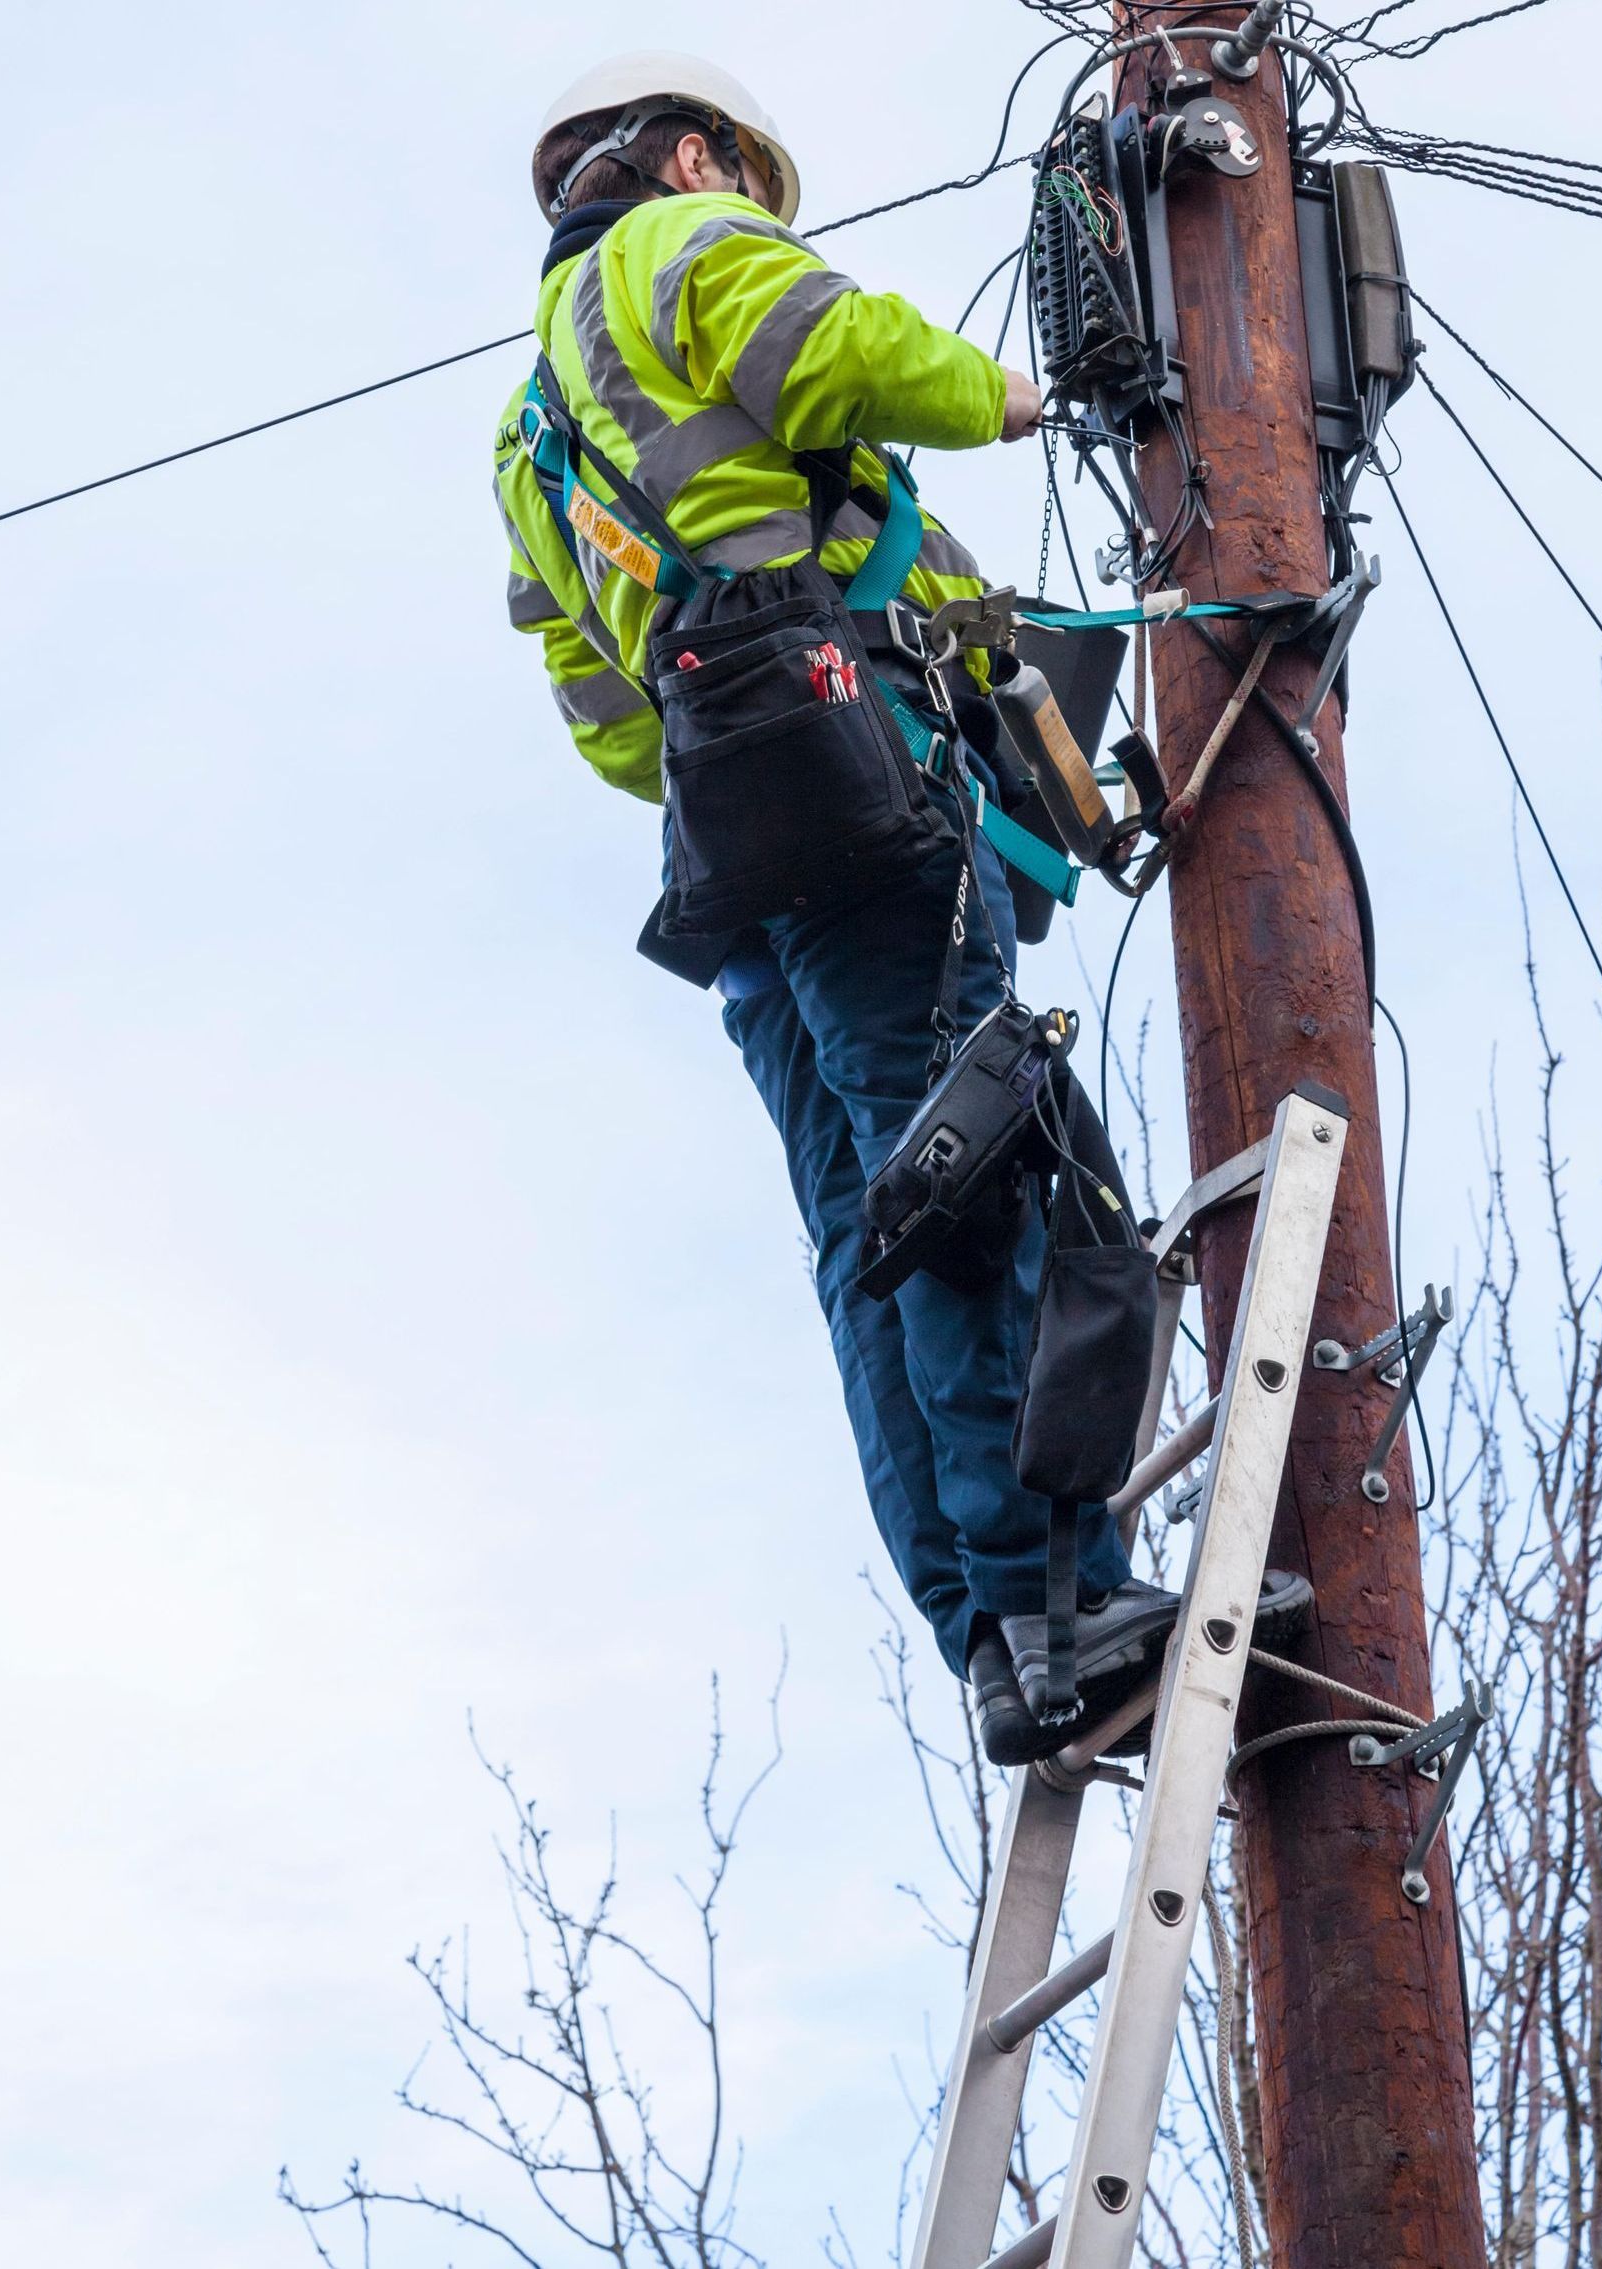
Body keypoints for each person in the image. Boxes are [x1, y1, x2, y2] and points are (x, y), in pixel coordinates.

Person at [492, 54, 1305, 1762]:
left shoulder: (526, 437)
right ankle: (1052, 1596)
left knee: (874, 1224)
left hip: (727, 845)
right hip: (845, 797)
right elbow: (847, 354)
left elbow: (603, 711)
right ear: (691, 154)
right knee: (980, 1167)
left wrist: (810, 720)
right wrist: (1016, 399)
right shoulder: (686, 246)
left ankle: (991, 1634)